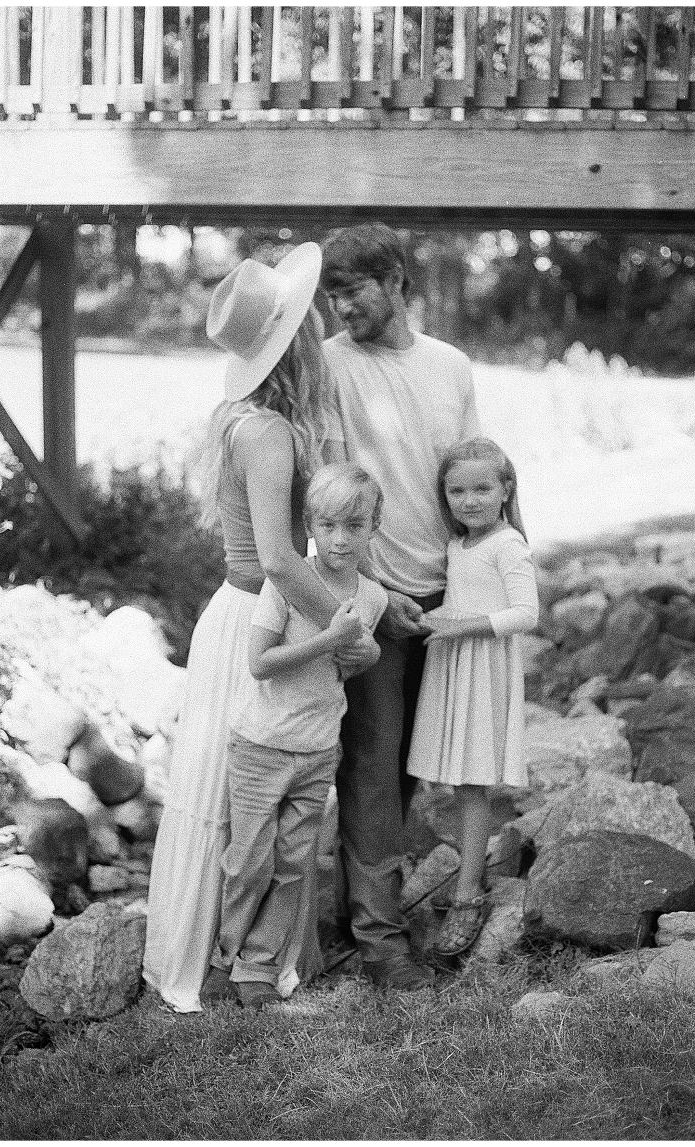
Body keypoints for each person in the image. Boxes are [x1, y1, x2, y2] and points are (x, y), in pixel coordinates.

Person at [143, 244, 377, 1013]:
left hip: (244, 608)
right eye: (315, 318)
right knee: (245, 805)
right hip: (259, 614)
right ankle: (228, 961)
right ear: (300, 336)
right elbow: (278, 558)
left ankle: (248, 956)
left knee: (240, 800)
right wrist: (342, 632)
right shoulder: (270, 432)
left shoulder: (254, 418)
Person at [320, 223, 481, 989]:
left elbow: (472, 479)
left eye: (352, 290)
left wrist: (489, 584)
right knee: (372, 770)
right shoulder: (330, 366)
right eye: (332, 294)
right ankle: (380, 943)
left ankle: (360, 903)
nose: (340, 307)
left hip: (446, 600)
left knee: (417, 768)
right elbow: (326, 495)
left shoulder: (450, 366)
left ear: (395, 280)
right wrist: (375, 599)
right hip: (373, 601)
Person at [203, 464, 388, 1007]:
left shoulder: (371, 598)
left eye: (354, 526)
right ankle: (222, 956)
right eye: (328, 525)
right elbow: (261, 663)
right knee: (248, 859)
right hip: (261, 744)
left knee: (292, 864)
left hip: (317, 746)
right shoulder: (285, 584)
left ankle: (257, 968)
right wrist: (330, 637)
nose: (339, 539)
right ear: (309, 524)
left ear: (372, 528)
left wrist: (365, 654)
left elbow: (343, 668)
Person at [406, 438, 539, 959]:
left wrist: (463, 627)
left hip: (483, 667)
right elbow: (461, 599)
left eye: (483, 487)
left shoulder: (508, 545)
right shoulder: (460, 545)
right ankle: (467, 872)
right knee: (459, 780)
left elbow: (526, 613)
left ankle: (468, 894)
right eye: (457, 490)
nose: (471, 499)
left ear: (506, 489)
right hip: (457, 664)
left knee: (473, 782)